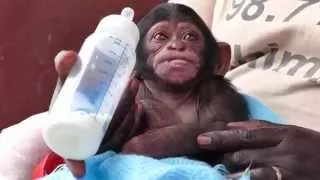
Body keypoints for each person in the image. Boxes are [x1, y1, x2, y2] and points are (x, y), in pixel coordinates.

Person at [0, 1, 319, 180]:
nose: (177, 44)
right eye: (161, 38)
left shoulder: (216, 95)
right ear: (133, 60)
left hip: (282, 148)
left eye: (191, 39)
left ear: (217, 60)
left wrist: (142, 145)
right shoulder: (133, 83)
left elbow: (219, 134)